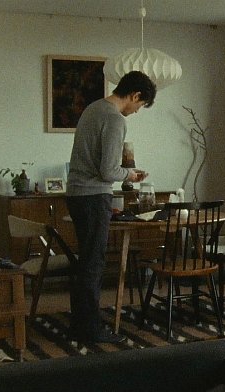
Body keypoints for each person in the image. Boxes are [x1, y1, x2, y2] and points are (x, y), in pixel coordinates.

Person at [65, 71, 156, 343]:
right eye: (140, 105)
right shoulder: (115, 119)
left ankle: (80, 324)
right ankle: (90, 330)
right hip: (94, 196)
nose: (137, 111)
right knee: (94, 263)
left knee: (85, 262)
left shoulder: (92, 109)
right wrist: (131, 174)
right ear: (135, 95)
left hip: (76, 194)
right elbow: (108, 171)